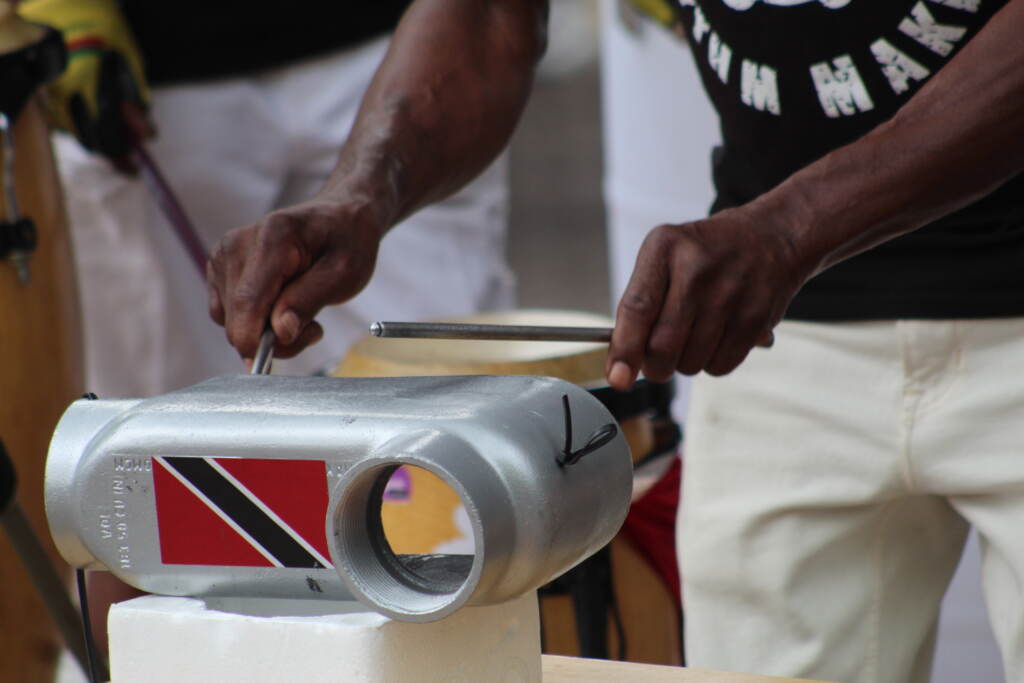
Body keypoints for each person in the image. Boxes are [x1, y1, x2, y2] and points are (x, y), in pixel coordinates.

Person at [203, 1, 1024, 681]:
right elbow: (489, 17)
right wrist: (360, 195)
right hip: (784, 331)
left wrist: (791, 229)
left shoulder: (785, 237)